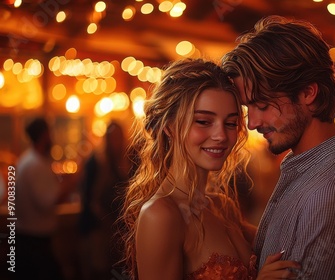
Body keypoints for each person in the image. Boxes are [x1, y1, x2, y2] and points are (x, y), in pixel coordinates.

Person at [220, 15, 335, 279]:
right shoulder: (310, 175)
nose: (252, 123)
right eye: (248, 108)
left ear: (308, 93)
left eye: (262, 105)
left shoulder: (326, 199)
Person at [120, 58, 301, 280]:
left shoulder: (222, 207)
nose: (221, 136)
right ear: (169, 126)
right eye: (204, 121)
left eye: (230, 123)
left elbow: (295, 245)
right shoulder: (161, 215)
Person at [79, 121, 130, 280]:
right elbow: (87, 197)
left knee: (121, 269)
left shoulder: (128, 161)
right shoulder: (96, 162)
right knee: (100, 269)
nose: (116, 142)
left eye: (118, 138)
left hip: (122, 227)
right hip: (100, 226)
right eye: (112, 138)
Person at [15, 117, 64, 280]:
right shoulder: (34, 164)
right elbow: (46, 202)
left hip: (30, 241)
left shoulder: (30, 160)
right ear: (44, 135)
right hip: (34, 244)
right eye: (50, 132)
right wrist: (70, 184)